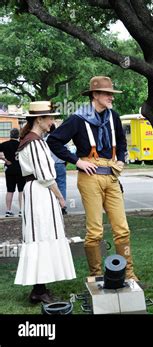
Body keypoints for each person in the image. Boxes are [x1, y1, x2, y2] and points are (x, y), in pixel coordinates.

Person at [47, 76, 139, 281]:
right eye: (107, 94)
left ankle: (129, 274)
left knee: (122, 229)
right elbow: (54, 141)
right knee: (95, 231)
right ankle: (96, 275)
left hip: (112, 176)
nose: (111, 98)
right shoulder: (78, 119)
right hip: (89, 178)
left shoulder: (113, 116)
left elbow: (122, 142)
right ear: (95, 95)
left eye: (111, 94)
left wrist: (121, 160)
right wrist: (77, 161)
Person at [14, 101, 76, 304]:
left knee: (41, 236)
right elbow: (46, 176)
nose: (53, 121)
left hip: (36, 191)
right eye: (50, 117)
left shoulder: (31, 140)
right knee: (42, 235)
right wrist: (60, 197)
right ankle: (39, 290)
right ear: (39, 120)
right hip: (40, 192)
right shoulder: (34, 142)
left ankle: (39, 289)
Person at [0, 128, 26, 217]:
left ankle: (8, 210)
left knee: (10, 190)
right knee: (21, 190)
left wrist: (5, 160)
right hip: (20, 169)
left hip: (9, 168)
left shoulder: (5, 144)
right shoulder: (21, 144)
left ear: (10, 135)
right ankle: (21, 211)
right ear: (18, 135)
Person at [47, 124, 68, 215]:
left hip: (49, 165)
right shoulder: (62, 139)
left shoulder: (44, 140)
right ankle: (62, 206)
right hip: (60, 164)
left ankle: (52, 205)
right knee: (62, 185)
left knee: (51, 185)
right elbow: (67, 152)